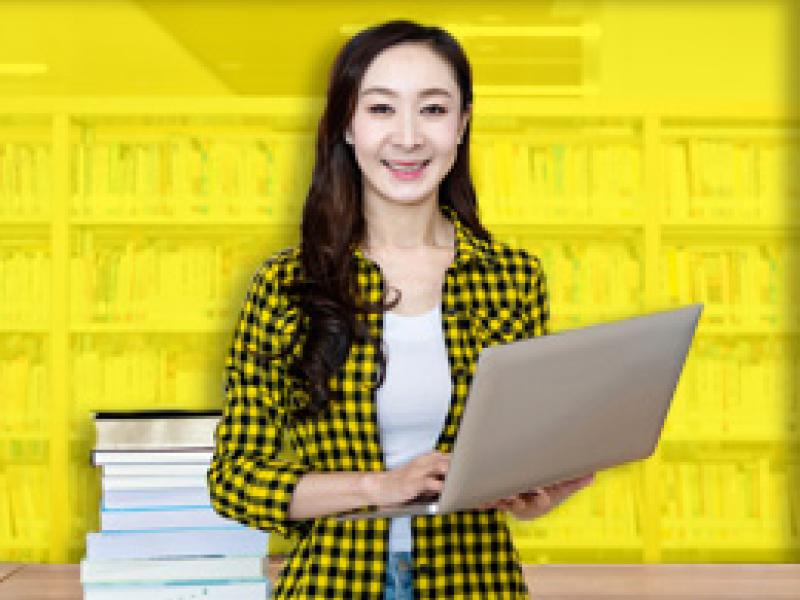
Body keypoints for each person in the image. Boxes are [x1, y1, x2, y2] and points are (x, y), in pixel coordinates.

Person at [207, 19, 595, 600]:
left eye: (434, 110)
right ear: (347, 125)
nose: (409, 137)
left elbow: (514, 462)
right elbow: (237, 481)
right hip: (333, 585)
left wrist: (536, 491)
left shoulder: (512, 280)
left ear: (462, 125)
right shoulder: (287, 285)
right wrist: (379, 486)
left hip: (475, 582)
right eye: (382, 109)